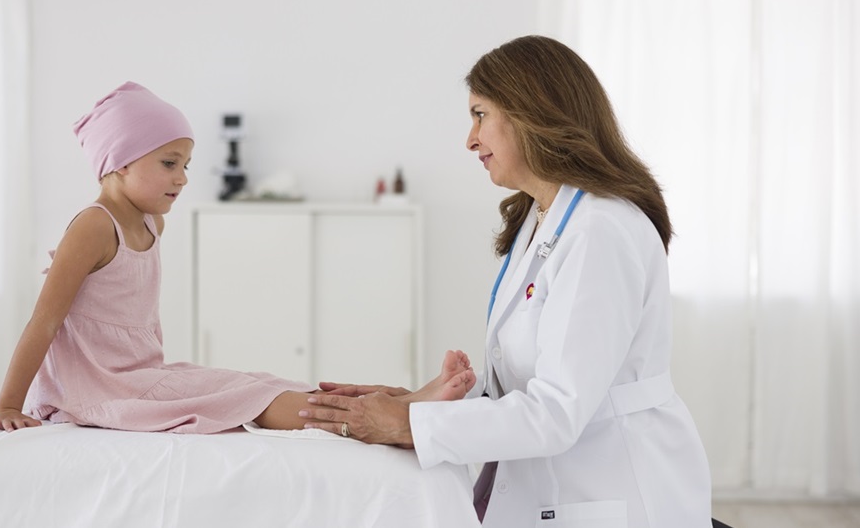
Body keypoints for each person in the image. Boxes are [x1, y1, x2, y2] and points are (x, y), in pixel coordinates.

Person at [300, 36, 713, 528]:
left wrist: (407, 424)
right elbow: (529, 389)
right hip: (555, 488)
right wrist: (420, 400)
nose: (470, 139)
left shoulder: (600, 230)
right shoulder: (541, 217)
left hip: (616, 492)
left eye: (480, 115)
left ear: (529, 113)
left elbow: (557, 410)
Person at [0, 81, 474, 435]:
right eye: (168, 163)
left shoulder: (151, 222)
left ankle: (402, 401)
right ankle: (388, 416)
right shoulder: (94, 226)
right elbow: (44, 322)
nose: (182, 178)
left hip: (141, 376)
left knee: (254, 380)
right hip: (104, 389)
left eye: (186, 165)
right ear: (118, 161)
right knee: (245, 399)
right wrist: (10, 404)